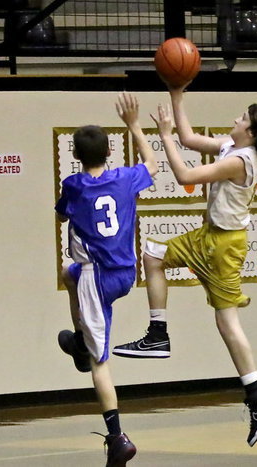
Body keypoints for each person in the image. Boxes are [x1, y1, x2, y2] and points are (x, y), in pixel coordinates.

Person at [112, 84, 257, 447]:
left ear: (251, 133)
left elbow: (186, 177)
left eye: (241, 118)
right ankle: (158, 335)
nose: (234, 120)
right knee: (154, 254)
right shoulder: (231, 147)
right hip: (211, 237)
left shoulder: (241, 161)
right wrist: (177, 93)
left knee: (227, 321)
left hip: (223, 246)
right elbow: (190, 139)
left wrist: (163, 137)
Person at [55, 92, 158, 465]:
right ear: (110, 150)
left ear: (76, 155)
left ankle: (117, 438)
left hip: (95, 279)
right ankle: (81, 345)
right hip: (126, 273)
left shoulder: (74, 185)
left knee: (101, 363)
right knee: (67, 275)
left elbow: (62, 216)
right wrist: (135, 125)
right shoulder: (126, 178)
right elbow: (153, 163)